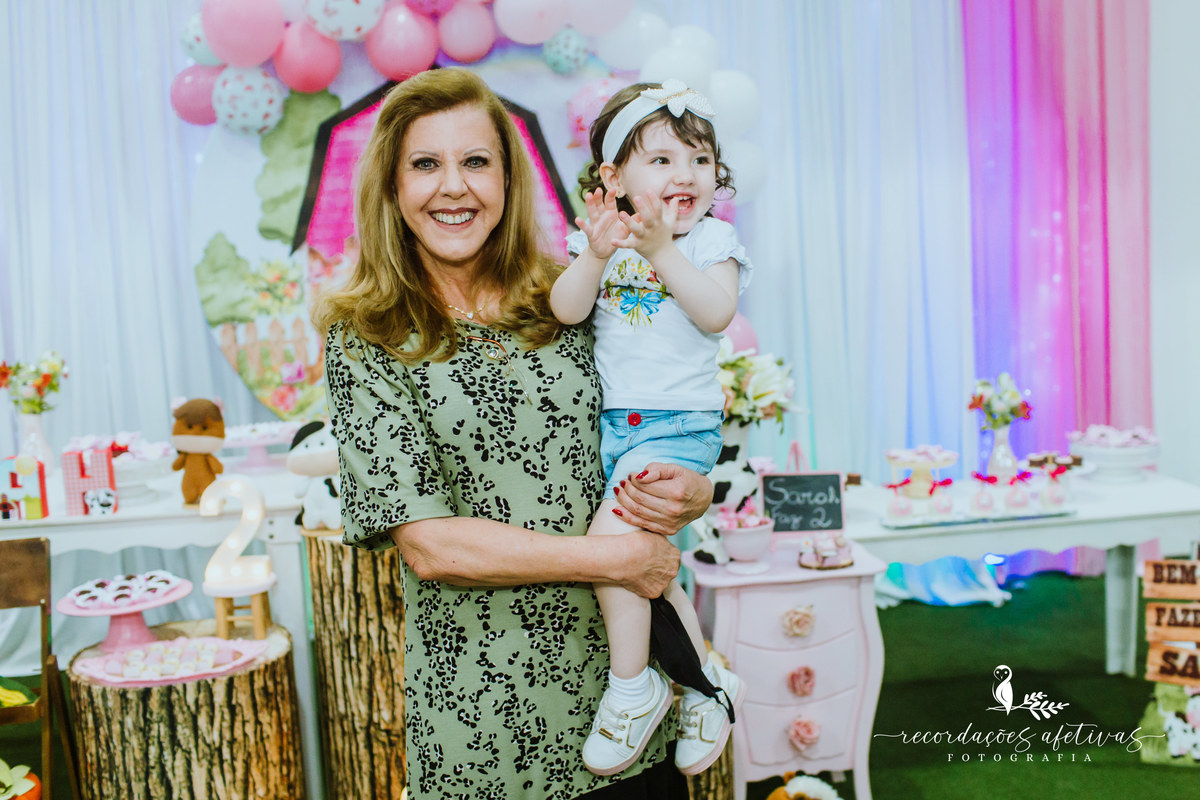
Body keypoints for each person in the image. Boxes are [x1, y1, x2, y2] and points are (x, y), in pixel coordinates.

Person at [314, 67, 715, 800]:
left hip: (625, 710)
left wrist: (693, 488)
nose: (453, 187)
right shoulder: (366, 335)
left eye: (475, 162)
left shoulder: (566, 297)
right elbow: (429, 545)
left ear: (508, 178)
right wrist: (618, 557)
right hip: (486, 728)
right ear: (393, 189)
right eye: (425, 164)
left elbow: (656, 416)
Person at [548, 80, 752, 776]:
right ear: (614, 177)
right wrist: (596, 255)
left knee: (612, 549)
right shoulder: (596, 241)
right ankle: (706, 684)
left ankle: (633, 687)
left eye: (698, 159)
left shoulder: (712, 240)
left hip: (678, 427)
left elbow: (716, 313)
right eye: (661, 160)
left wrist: (664, 250)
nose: (684, 175)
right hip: (618, 428)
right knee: (649, 574)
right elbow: (568, 311)